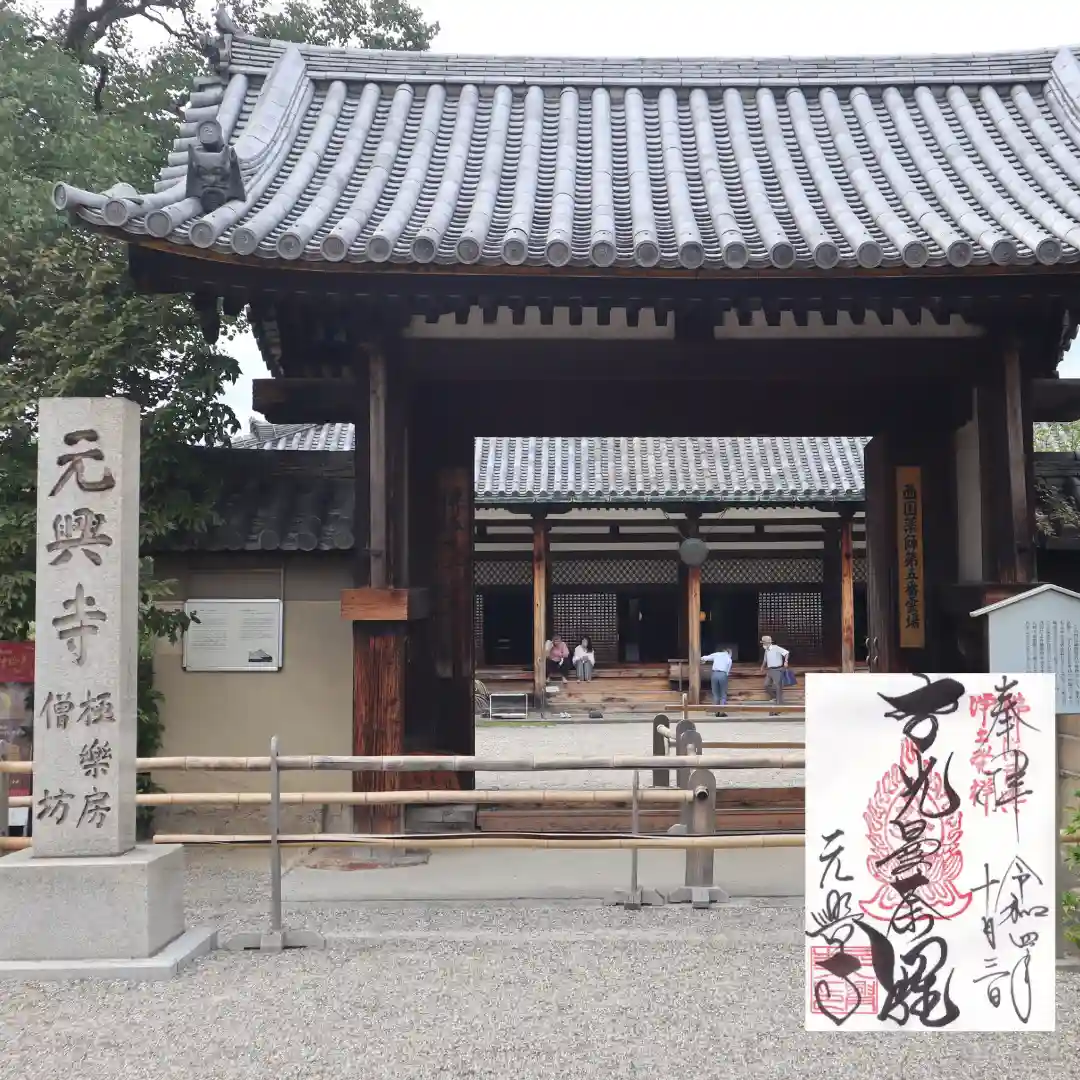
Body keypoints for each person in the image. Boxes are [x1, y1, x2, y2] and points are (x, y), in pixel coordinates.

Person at [759, 635, 791, 707]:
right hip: (770, 670)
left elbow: (786, 653)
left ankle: (779, 703)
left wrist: (786, 661)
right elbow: (765, 660)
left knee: (778, 686)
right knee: (766, 685)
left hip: (777, 669)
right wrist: (762, 667)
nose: (763, 644)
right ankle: (775, 697)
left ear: (767, 643)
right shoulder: (766, 650)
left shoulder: (776, 648)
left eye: (763, 643)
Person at [700, 646, 732, 715]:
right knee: (723, 694)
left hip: (714, 674)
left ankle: (716, 711)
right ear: (728, 652)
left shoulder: (717, 654)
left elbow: (704, 658)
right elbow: (727, 671)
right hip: (723, 674)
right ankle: (722, 711)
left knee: (715, 694)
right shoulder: (729, 658)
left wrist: (702, 660)